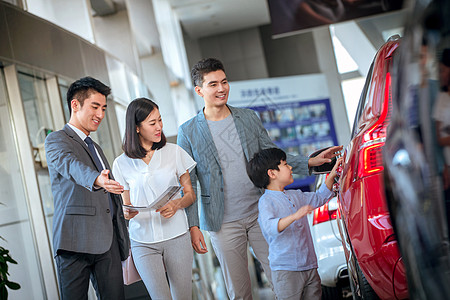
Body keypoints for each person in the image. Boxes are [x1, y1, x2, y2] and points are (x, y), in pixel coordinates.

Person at [177, 57, 343, 299]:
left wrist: (307, 161)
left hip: (260, 212)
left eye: (224, 82)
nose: (221, 88)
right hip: (222, 222)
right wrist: (193, 226)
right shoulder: (188, 131)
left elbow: (270, 155)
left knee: (282, 280)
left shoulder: (248, 118)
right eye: (213, 84)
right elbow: (188, 182)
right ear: (199, 90)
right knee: (239, 292)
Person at [45, 76, 130, 299]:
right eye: (95, 107)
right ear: (75, 104)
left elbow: (106, 193)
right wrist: (97, 180)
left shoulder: (96, 147)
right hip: (75, 242)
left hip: (107, 241)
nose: (100, 115)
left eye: (103, 108)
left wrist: (120, 208)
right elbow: (70, 166)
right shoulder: (57, 140)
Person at [112, 98, 197, 299]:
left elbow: (190, 194)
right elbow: (126, 206)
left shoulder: (174, 152)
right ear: (137, 128)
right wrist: (127, 212)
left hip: (176, 236)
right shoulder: (121, 164)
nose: (159, 127)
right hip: (142, 242)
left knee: (183, 296)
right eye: (152, 123)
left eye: (160, 120)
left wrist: (176, 204)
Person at [246, 148, 343, 300]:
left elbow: (320, 198)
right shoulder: (266, 202)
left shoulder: (295, 195)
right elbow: (269, 227)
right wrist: (294, 216)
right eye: (285, 164)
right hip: (286, 270)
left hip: (310, 265)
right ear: (272, 173)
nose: (290, 167)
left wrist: (332, 175)